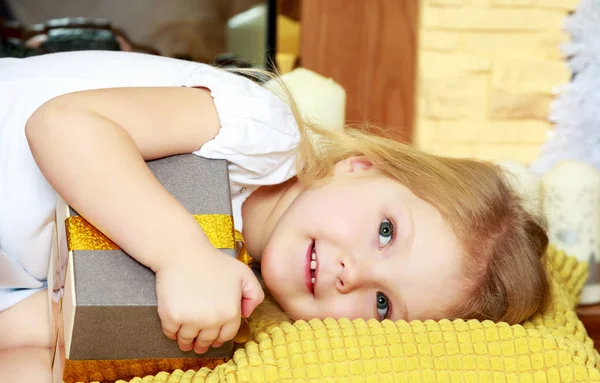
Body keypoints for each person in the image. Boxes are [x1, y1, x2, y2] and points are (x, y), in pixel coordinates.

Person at [0, 50, 551, 382]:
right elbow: (65, 126)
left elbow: (43, 325)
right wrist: (182, 255)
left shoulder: (230, 294)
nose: (351, 273)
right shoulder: (260, 135)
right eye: (386, 232)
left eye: (382, 304)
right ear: (361, 166)